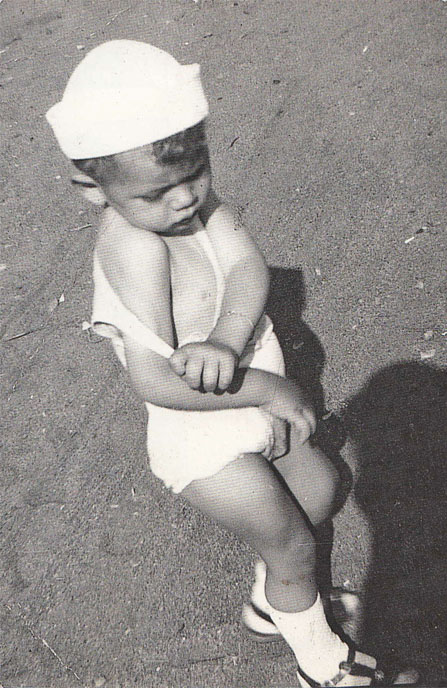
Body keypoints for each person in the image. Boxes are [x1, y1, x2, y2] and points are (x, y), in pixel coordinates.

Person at [46, 40, 417, 687]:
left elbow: (245, 266)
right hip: (201, 434)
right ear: (91, 189)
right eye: (158, 192)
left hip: (249, 394)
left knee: (319, 493)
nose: (184, 200)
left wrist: (224, 339)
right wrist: (266, 388)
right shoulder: (133, 248)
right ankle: (323, 666)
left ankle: (275, 604)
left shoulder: (194, 206)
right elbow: (154, 379)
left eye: (195, 175)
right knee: (293, 544)